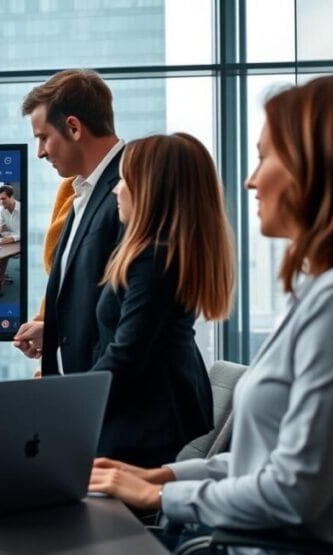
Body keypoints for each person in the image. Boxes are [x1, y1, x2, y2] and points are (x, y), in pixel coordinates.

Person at [90, 71, 333, 555]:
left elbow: (293, 491)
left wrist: (160, 494)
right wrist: (165, 475)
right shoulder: (325, 290)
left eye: (264, 156)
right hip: (251, 549)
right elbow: (267, 462)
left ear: (319, 167)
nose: (250, 179)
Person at [89, 133, 235, 467]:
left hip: (143, 420)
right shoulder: (163, 252)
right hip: (151, 410)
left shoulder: (154, 258)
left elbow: (128, 352)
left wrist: (66, 405)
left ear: (150, 190)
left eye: (125, 179)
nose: (116, 189)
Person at [12, 69, 125, 377]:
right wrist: (52, 333)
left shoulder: (132, 186)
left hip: (120, 404)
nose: (39, 152)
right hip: (87, 399)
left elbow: (133, 318)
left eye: (43, 137)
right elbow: (95, 299)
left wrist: (85, 403)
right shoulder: (79, 193)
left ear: (74, 128)